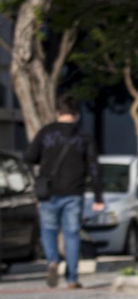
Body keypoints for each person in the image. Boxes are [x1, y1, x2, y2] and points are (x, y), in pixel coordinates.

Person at [25, 96, 104, 289]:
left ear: (57, 113)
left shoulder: (46, 133)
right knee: (71, 234)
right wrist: (98, 197)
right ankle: (71, 278)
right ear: (76, 114)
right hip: (74, 193)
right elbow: (94, 167)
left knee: (48, 231)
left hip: (48, 192)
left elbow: (29, 157)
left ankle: (52, 261)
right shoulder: (84, 136)